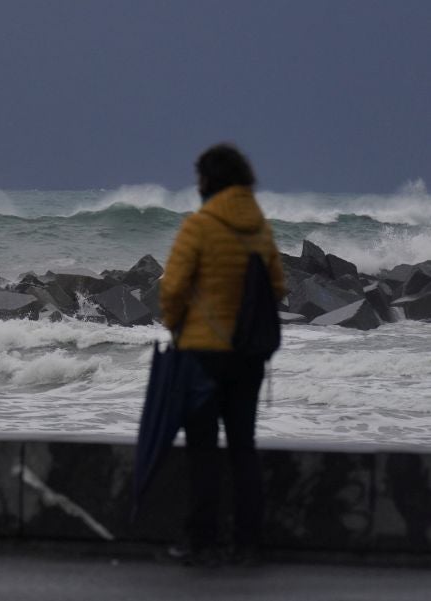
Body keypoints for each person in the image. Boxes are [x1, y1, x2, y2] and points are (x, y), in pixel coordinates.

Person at [159, 143, 286, 566]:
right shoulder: (260, 227)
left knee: (202, 450)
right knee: (242, 447)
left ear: (210, 180)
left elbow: (173, 288)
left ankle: (201, 541)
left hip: (201, 354)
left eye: (200, 178)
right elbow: (278, 288)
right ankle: (248, 543)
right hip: (249, 355)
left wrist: (176, 323)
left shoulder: (200, 225)